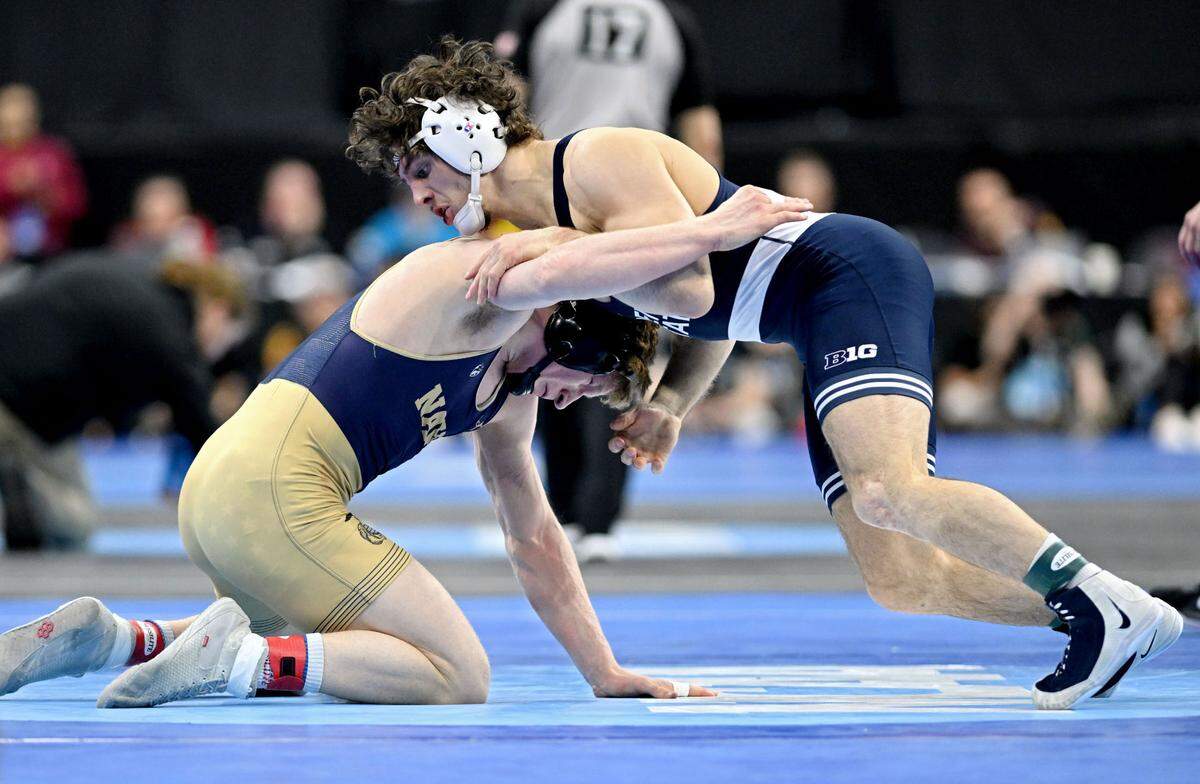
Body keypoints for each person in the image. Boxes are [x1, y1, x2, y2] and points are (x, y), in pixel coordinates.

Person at [344, 38, 1183, 709]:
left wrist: (561, 249)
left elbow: (687, 281)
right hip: (800, 315)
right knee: (900, 579)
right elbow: (711, 316)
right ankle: (1105, 609)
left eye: (419, 170)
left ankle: (1105, 601)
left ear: (466, 132)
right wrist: (671, 399)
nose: (416, 195)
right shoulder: (530, 229)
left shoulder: (598, 159)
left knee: (888, 490)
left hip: (849, 275)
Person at [0, 186, 803, 706]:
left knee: (316, 633)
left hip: (230, 490)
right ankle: (236, 664)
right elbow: (587, 257)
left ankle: (109, 638)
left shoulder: (506, 395)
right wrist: (711, 231)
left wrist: (605, 670)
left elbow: (534, 537)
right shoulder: (486, 291)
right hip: (277, 494)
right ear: (568, 323)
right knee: (459, 673)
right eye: (588, 381)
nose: (574, 398)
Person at [496, 0, 724, 561]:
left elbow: (506, 104)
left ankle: (573, 511)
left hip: (557, 188)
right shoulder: (672, 20)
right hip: (640, 197)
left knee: (549, 345)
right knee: (624, 344)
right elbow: (701, 130)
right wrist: (704, 213)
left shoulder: (542, 11)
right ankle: (598, 519)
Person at [0, 257, 218, 550]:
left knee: (75, 523)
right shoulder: (166, 327)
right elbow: (199, 423)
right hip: (16, 402)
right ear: (215, 306)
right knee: (70, 526)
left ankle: (20, 483)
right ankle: (17, 486)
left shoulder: (144, 293)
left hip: (35, 408)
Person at [0, 84, 87, 261]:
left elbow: (77, 205)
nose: (16, 130)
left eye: (22, 122)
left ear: (34, 119)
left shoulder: (54, 153)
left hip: (50, 252)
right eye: (8, 124)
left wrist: (44, 192)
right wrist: (10, 189)